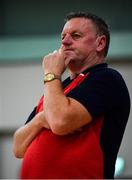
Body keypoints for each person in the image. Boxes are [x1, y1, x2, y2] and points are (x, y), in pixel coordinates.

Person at [13, 11, 130, 179]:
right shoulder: (57, 88)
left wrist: (51, 73)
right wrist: (41, 119)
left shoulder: (107, 78)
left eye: (75, 35)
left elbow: (60, 122)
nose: (65, 42)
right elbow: (18, 147)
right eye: (63, 37)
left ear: (100, 43)